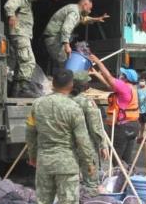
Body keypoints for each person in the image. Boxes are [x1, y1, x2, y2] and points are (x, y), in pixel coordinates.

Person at [26, 70, 96, 204]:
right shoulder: (74, 108)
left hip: (44, 163)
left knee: (43, 201)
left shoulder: (37, 104)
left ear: (53, 83)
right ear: (71, 85)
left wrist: (32, 156)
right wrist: (88, 163)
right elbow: (82, 140)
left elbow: (30, 133)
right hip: (67, 164)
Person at [89, 54, 139, 164]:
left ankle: (118, 177)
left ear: (126, 78)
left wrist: (98, 62)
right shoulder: (130, 88)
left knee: (116, 158)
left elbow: (110, 79)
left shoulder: (125, 87)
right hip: (133, 125)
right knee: (127, 158)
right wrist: (97, 74)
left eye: (122, 75)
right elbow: (109, 85)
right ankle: (128, 177)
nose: (120, 76)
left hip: (123, 126)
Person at [4, 0, 47, 97]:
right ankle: (23, 89)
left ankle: (16, 91)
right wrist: (11, 16)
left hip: (23, 33)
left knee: (21, 62)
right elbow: (9, 6)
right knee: (28, 61)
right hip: (19, 33)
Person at [42, 0, 109, 71]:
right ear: (85, 5)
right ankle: (61, 81)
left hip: (55, 38)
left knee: (63, 61)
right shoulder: (74, 12)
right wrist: (67, 45)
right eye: (89, 9)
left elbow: (84, 19)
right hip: (54, 39)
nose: (90, 11)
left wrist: (97, 19)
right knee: (63, 62)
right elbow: (66, 28)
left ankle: (60, 78)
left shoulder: (76, 10)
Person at [71, 71, 109, 196]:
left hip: (68, 146)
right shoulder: (86, 102)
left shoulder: (64, 101)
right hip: (86, 146)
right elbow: (95, 127)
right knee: (91, 183)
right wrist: (102, 145)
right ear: (85, 85)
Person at [137, 79, 146, 143]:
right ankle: (139, 137)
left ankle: (142, 136)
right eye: (141, 81)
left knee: (144, 124)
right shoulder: (137, 89)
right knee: (140, 124)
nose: (142, 82)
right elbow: (139, 100)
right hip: (140, 110)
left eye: (143, 80)